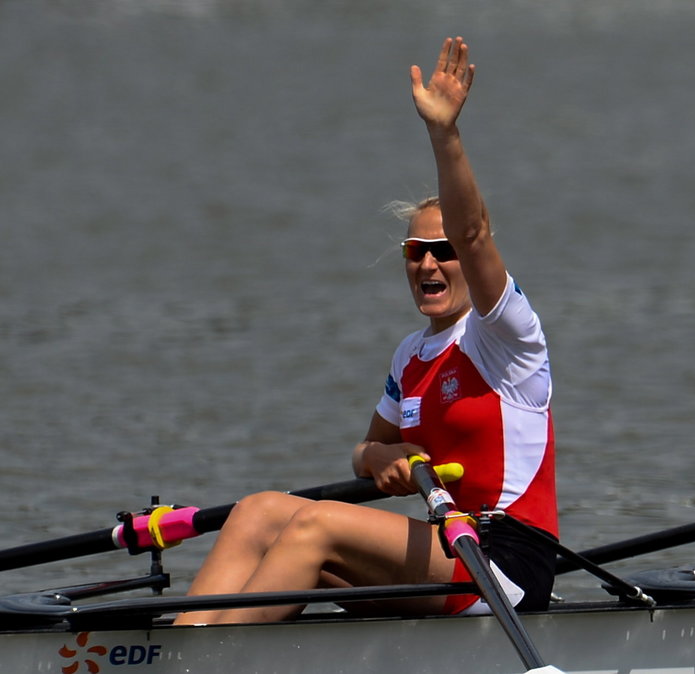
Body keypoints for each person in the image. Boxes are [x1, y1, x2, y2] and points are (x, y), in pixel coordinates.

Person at [174, 37, 557, 625]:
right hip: (439, 551)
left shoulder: (506, 334)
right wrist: (385, 454)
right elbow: (362, 457)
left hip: (503, 562)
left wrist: (444, 134)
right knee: (257, 512)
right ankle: (185, 646)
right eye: (414, 252)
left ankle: (206, 660)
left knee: (317, 522)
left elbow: (475, 232)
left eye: (441, 251)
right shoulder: (411, 355)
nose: (427, 264)